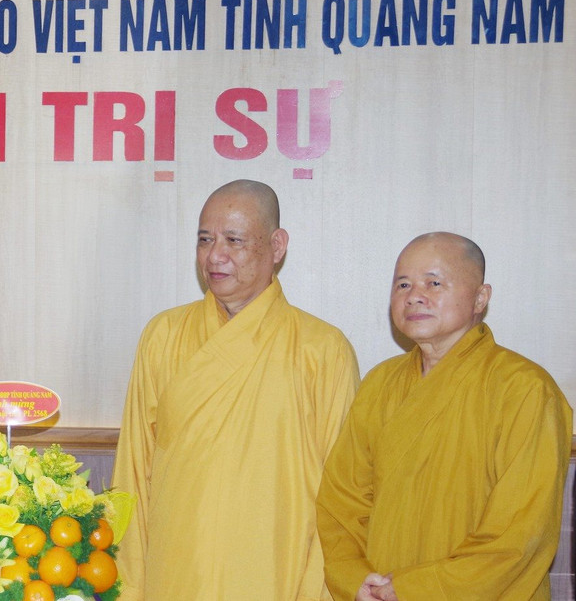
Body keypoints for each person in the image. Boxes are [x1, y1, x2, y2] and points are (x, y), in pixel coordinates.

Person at [111, 179, 360, 600]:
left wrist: (316, 589)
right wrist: (129, 584)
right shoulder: (164, 335)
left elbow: (341, 495)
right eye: (205, 239)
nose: (215, 255)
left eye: (234, 240)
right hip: (175, 571)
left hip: (274, 572)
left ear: (277, 246)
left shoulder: (324, 349)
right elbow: (133, 472)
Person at [316, 232, 571, 601]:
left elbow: (520, 532)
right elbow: (342, 500)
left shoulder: (526, 390)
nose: (414, 295)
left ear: (480, 298)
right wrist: (355, 577)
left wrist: (412, 589)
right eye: (403, 284)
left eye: (434, 283)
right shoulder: (380, 384)